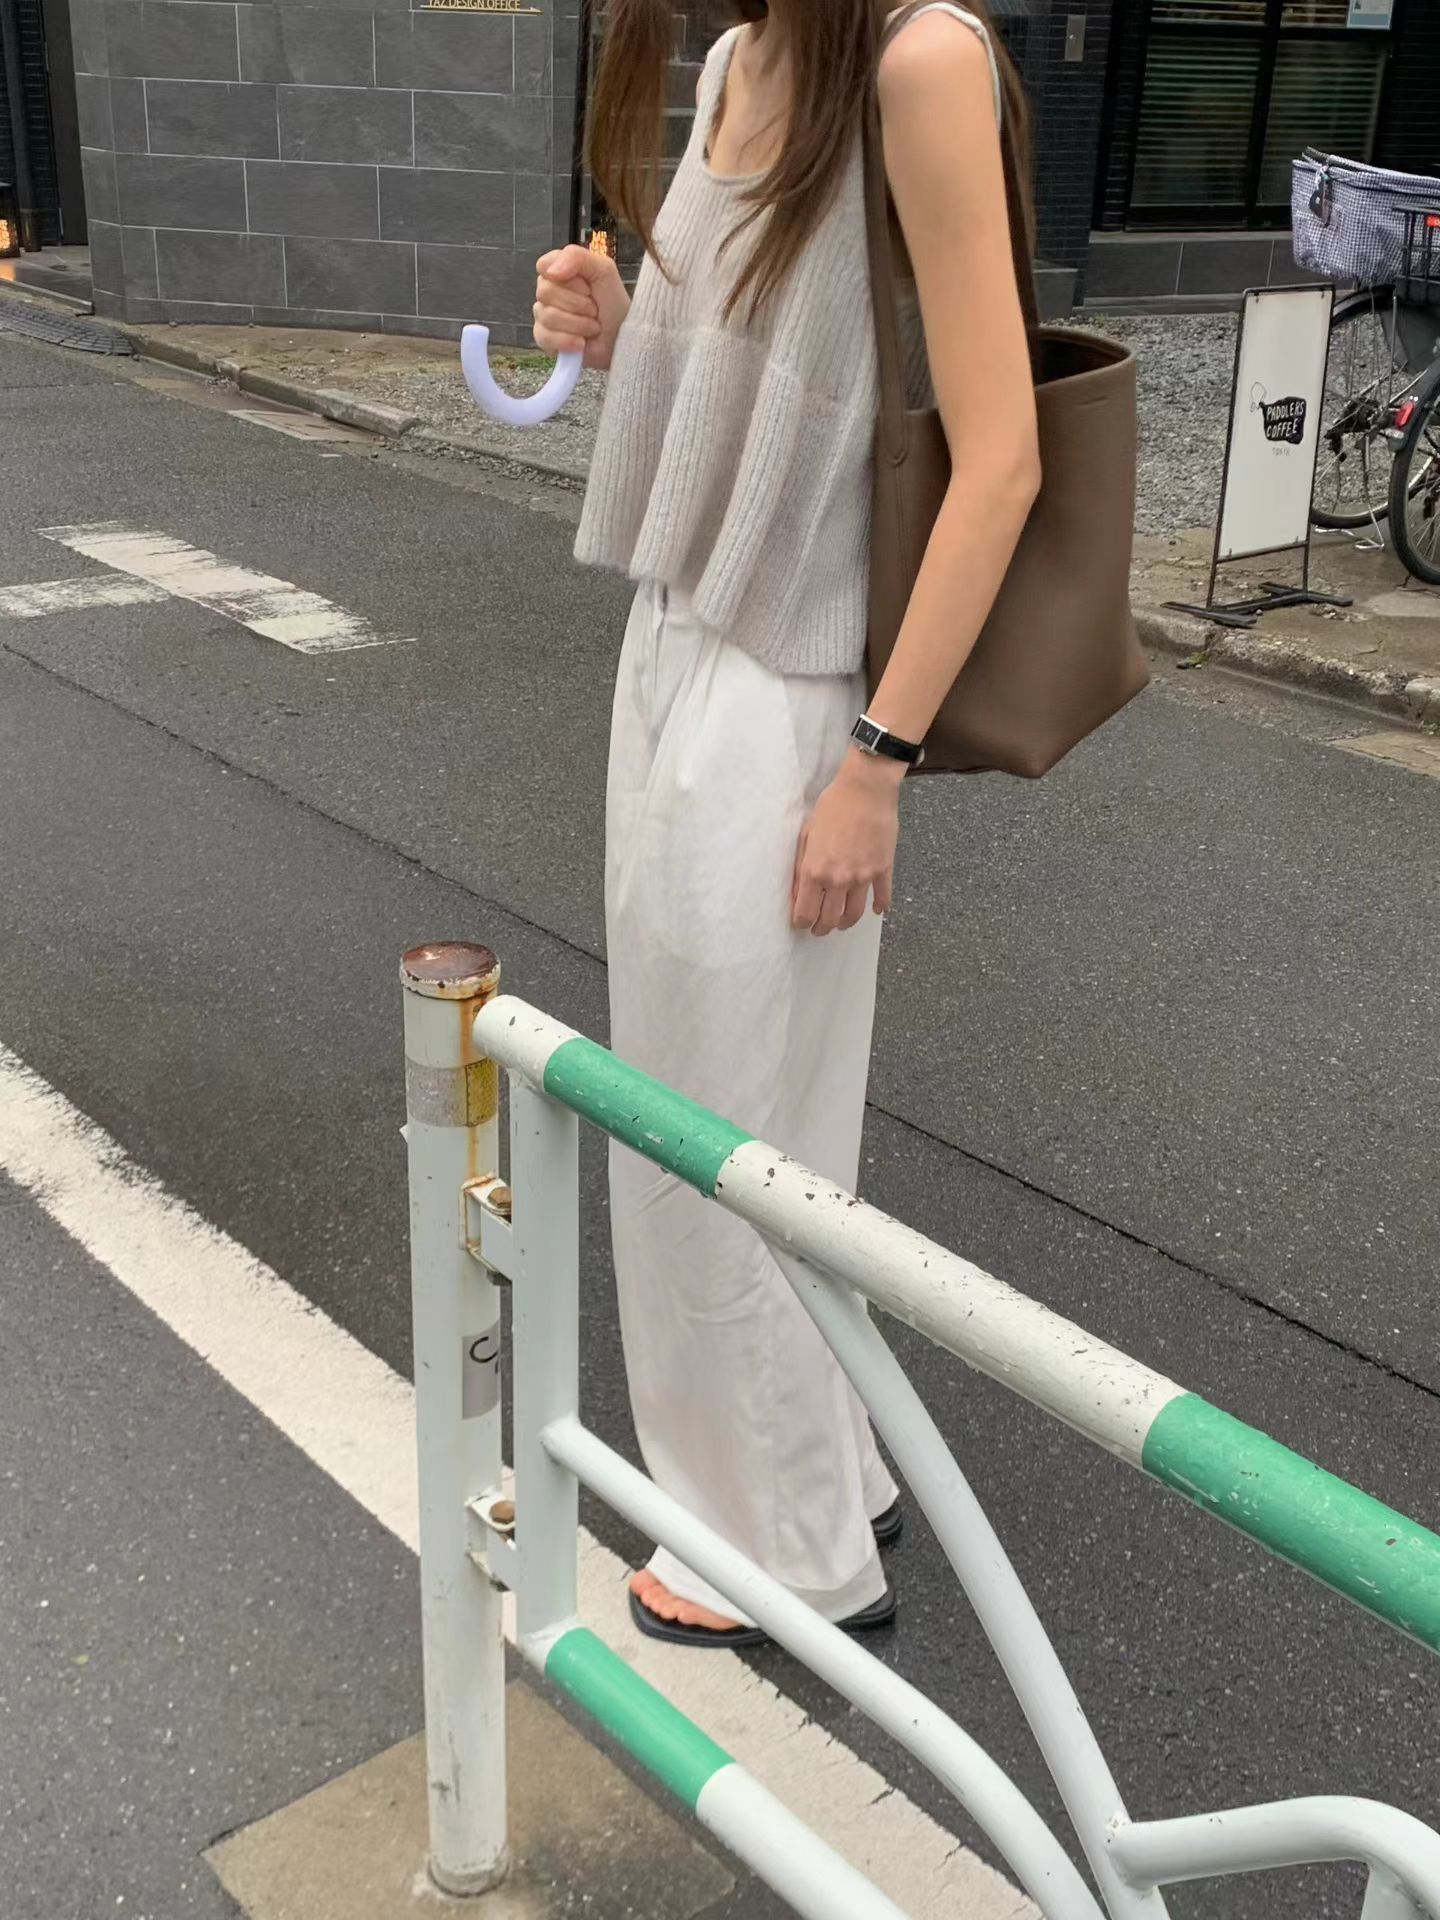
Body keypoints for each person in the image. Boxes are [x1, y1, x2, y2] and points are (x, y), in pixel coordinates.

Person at [532, 0, 1039, 1646]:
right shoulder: (745, 63)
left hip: (795, 685)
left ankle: (779, 1552)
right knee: (728, 1121)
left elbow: (1004, 459)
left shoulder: (918, 59)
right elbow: (755, 394)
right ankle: (813, 1478)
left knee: (724, 1131)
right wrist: (624, 330)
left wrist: (876, 763)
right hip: (674, 638)